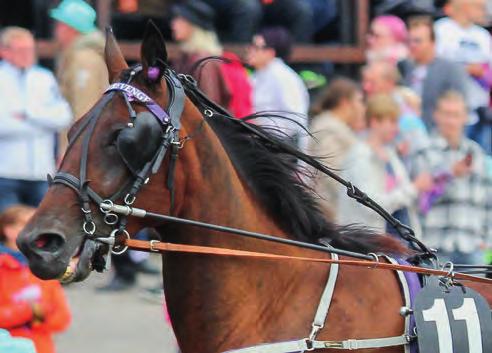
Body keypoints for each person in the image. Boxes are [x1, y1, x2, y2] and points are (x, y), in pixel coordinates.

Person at [410, 91, 492, 265]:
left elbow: (488, 199)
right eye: (446, 114)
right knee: (435, 293)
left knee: (475, 293)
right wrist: (448, 173)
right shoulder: (423, 152)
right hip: (434, 245)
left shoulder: (476, 153)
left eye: (456, 115)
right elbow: (418, 200)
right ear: (436, 115)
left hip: (472, 246)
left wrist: (488, 237)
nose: (451, 121)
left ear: (465, 118)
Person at [337, 94, 432, 237]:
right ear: (375, 121)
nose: (397, 128)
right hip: (370, 244)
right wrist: (414, 188)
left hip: (397, 243)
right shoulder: (360, 157)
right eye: (392, 122)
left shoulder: (390, 154)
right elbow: (372, 205)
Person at [0, 27, 72, 212]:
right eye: (21, 50)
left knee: (42, 232)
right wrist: (44, 124)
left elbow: (64, 116)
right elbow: (3, 124)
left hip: (42, 172)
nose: (27, 54)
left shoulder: (44, 78)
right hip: (5, 173)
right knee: (8, 229)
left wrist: (28, 114)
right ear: (4, 51)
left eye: (30, 49)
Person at [0, 205, 71, 353]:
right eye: (27, 224)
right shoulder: (3, 268)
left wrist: (37, 315)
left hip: (41, 347)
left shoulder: (43, 268)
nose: (37, 231)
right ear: (9, 230)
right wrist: (28, 311)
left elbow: (62, 319)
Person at [171, 0, 253, 118]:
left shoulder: (204, 63)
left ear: (193, 25)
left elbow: (209, 108)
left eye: (179, 20)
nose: (173, 24)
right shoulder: (186, 57)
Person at [50, 0, 109, 156]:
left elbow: (84, 109)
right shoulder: (80, 56)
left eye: (59, 24)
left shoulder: (83, 60)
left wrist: (70, 151)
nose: (56, 30)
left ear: (70, 28)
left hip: (80, 150)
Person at [435, 0, 492, 153]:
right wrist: (465, 69)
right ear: (465, 6)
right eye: (479, 7)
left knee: (482, 160)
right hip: (451, 111)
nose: (483, 11)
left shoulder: (483, 35)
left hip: (480, 110)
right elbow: (436, 66)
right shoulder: (442, 29)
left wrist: (483, 73)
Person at [308, 78, 365, 220]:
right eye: (359, 101)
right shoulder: (328, 129)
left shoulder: (337, 128)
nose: (363, 107)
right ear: (345, 103)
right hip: (332, 214)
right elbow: (333, 175)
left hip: (340, 210)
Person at [399, 15, 468, 130]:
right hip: (408, 133)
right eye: (409, 41)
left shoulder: (451, 70)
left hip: (437, 134)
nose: (412, 45)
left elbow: (459, 105)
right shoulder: (403, 67)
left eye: (417, 41)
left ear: (432, 42)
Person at [247, 27, 309, 150]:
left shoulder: (283, 76)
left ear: (271, 52)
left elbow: (295, 120)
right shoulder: (257, 75)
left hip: (279, 149)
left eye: (256, 47)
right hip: (261, 144)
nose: (250, 50)